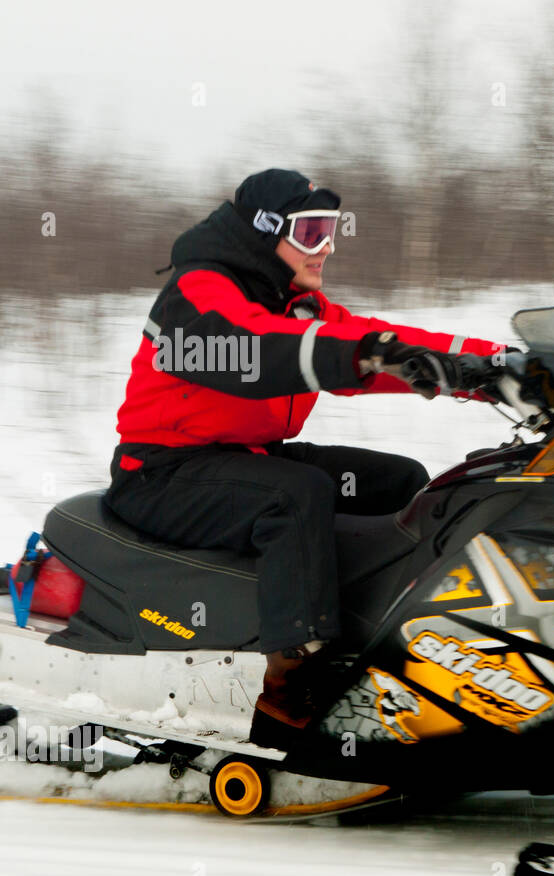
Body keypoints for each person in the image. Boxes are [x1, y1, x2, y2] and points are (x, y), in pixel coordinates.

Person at [106, 168, 515, 742]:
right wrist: (365, 355)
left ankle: (381, 644)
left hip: (247, 456)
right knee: (297, 496)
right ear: (263, 232)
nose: (324, 247)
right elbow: (254, 350)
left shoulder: (297, 304)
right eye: (310, 231)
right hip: (160, 472)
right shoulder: (199, 289)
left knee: (400, 483)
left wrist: (494, 366)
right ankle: (289, 688)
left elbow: (372, 339)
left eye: (330, 230)